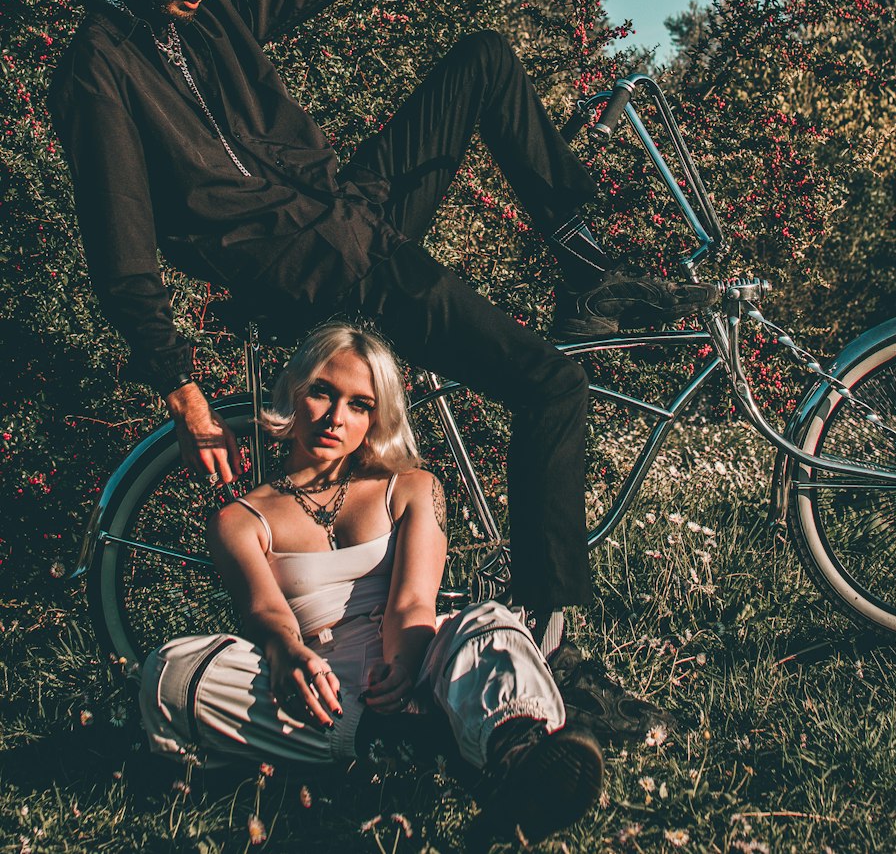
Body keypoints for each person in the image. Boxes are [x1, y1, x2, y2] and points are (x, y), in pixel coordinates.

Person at [50, 0, 707, 714]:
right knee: (550, 385)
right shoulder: (96, 72)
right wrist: (186, 394)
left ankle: (584, 266)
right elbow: (121, 248)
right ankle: (553, 636)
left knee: (481, 59)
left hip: (347, 212)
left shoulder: (220, 14)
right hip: (311, 271)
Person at [139, 323, 605, 844]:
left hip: (417, 659)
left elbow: (412, 602)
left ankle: (518, 751)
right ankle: (405, 745)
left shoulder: (412, 487)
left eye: (359, 404)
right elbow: (264, 611)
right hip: (323, 688)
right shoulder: (240, 519)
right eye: (322, 392)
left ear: (375, 417)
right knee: (171, 670)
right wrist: (287, 653)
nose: (337, 418)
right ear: (293, 391)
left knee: (487, 622)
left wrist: (403, 668)